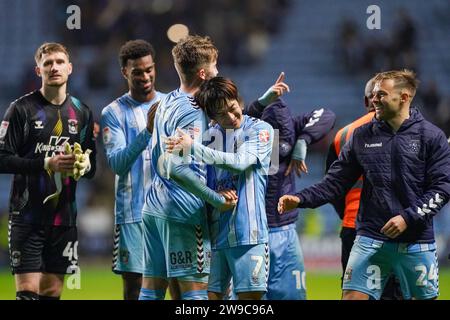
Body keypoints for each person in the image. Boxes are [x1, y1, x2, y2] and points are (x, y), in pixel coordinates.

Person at [278, 69, 450, 300]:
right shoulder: (360, 136)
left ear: (404, 97)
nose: (374, 100)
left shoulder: (431, 137)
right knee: (351, 297)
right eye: (374, 94)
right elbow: (334, 183)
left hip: (415, 241)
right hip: (370, 238)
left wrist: (407, 218)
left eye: (382, 95)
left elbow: (442, 189)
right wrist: (300, 199)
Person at [139, 35, 236, 300]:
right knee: (195, 292)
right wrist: (215, 199)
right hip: (183, 209)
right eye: (216, 67)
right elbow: (179, 168)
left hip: (153, 207)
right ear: (204, 73)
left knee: (151, 290)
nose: (219, 73)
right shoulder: (193, 110)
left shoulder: (166, 101)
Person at [0, 42, 96, 300]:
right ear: (38, 70)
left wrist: (83, 165)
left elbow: (91, 168)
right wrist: (46, 164)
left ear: (70, 68)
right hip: (26, 216)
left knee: (52, 293)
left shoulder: (83, 113)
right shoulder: (21, 109)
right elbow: (2, 159)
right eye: (48, 63)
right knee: (28, 295)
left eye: (60, 62)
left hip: (64, 219)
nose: (54, 67)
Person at [167, 77, 274, 299]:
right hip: (213, 235)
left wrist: (192, 147)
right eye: (222, 114)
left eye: (233, 108)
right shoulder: (207, 137)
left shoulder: (261, 129)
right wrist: (212, 196)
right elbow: (175, 171)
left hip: (249, 234)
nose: (231, 117)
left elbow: (240, 162)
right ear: (212, 117)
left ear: (239, 101)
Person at [245, 73, 336, 300]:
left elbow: (326, 114)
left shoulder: (294, 128)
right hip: (252, 232)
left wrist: (303, 140)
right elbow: (230, 124)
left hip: (285, 230)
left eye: (281, 142)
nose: (275, 146)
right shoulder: (244, 132)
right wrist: (260, 103)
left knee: (292, 296)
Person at [326, 76, 402, 299]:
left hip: (354, 225)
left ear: (364, 101)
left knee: (355, 292)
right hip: (396, 225)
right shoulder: (406, 130)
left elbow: (332, 188)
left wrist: (348, 215)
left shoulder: (343, 134)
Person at [101, 39, 165, 300]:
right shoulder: (113, 113)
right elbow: (117, 163)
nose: (145, 76)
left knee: (175, 285)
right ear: (124, 72)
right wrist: (147, 131)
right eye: (137, 71)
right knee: (135, 289)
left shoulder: (171, 104)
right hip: (133, 214)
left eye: (149, 69)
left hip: (169, 212)